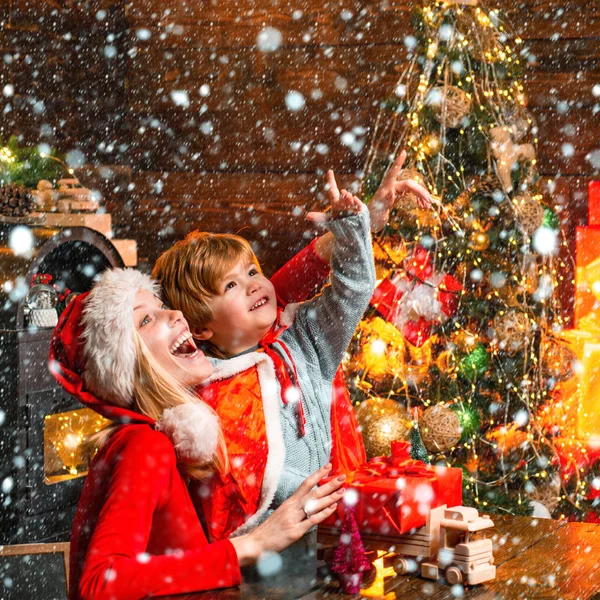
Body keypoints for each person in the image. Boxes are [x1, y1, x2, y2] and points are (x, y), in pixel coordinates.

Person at [152, 156, 431, 542]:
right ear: (200, 327)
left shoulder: (303, 340)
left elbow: (352, 292)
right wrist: (325, 498)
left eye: (252, 272)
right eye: (229, 286)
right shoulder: (208, 394)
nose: (252, 285)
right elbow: (252, 472)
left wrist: (352, 226)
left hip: (337, 529)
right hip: (280, 544)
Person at [49, 268, 346, 600]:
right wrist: (252, 545)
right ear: (128, 368)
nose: (175, 314)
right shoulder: (145, 446)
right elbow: (101, 584)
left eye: (161, 306)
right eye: (145, 320)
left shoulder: (163, 440)